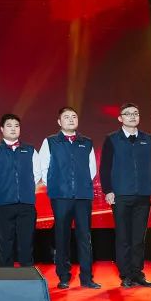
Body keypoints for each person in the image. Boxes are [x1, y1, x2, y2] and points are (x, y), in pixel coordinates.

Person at [99, 102, 151, 288]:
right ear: (120, 118)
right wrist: (108, 190)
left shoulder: (148, 139)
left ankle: (138, 274)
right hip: (121, 195)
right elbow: (105, 167)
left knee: (138, 238)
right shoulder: (112, 139)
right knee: (123, 237)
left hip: (143, 194)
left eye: (135, 113)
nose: (132, 116)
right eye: (128, 114)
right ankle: (125, 275)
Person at [37, 106, 102, 289]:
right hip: (60, 196)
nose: (71, 119)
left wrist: (80, 185)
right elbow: (43, 167)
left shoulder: (86, 142)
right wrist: (57, 186)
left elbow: (91, 170)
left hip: (82, 196)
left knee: (84, 237)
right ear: (59, 122)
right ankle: (63, 276)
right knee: (62, 236)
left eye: (74, 116)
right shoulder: (50, 142)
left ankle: (87, 277)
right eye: (66, 117)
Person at [0, 113, 41, 267]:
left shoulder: (30, 150)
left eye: (16, 126)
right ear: (2, 129)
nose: (13, 129)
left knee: (26, 243)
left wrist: (25, 188)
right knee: (5, 243)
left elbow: (37, 174)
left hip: (26, 204)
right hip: (5, 204)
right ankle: (6, 275)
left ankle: (27, 275)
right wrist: (3, 189)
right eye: (9, 126)